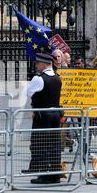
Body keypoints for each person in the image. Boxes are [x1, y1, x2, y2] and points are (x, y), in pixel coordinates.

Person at [23, 52, 62, 184]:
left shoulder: (39, 78)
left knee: (41, 143)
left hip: (43, 115)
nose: (37, 65)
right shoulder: (57, 78)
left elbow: (28, 93)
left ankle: (44, 174)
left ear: (44, 64)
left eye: (38, 63)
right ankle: (56, 173)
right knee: (55, 143)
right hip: (56, 114)